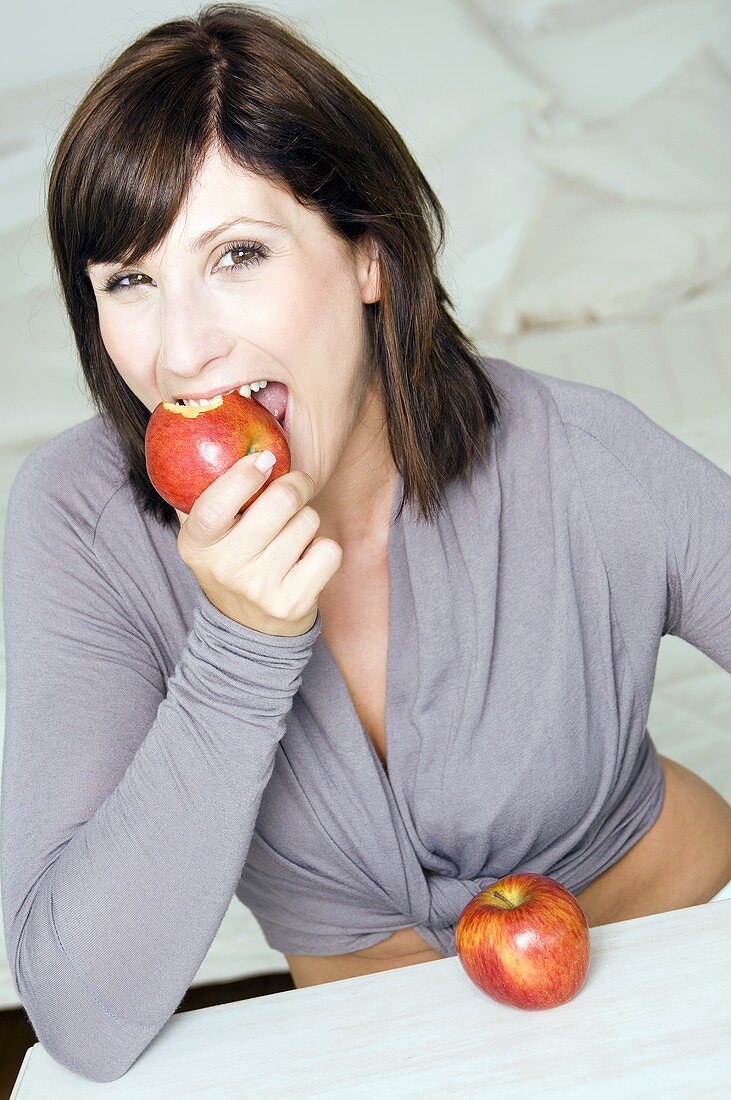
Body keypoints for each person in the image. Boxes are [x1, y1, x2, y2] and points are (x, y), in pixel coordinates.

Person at [2, 2, 731, 1084]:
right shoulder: (77, 521)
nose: (182, 347)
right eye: (129, 281)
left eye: (237, 254)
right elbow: (81, 1013)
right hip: (389, 1049)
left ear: (369, 260)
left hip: (684, 958)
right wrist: (239, 649)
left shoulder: (578, 459)